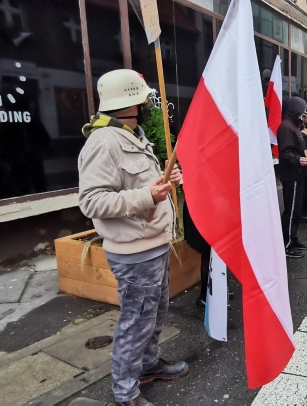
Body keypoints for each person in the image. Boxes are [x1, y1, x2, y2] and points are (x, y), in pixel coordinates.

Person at [78, 69, 189, 406]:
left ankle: (147, 366)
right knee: (136, 321)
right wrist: (148, 196)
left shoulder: (130, 133)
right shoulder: (103, 142)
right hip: (133, 253)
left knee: (154, 315)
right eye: (144, 99)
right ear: (131, 101)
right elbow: (92, 201)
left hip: (152, 246)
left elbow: (136, 183)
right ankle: (125, 395)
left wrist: (165, 181)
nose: (149, 104)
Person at [277, 97, 307, 258]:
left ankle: (293, 238)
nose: (303, 116)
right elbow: (285, 153)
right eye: (302, 112)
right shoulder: (286, 127)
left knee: (296, 210)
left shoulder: (292, 126)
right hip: (292, 174)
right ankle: (287, 244)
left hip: (298, 173)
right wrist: (298, 160)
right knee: (291, 211)